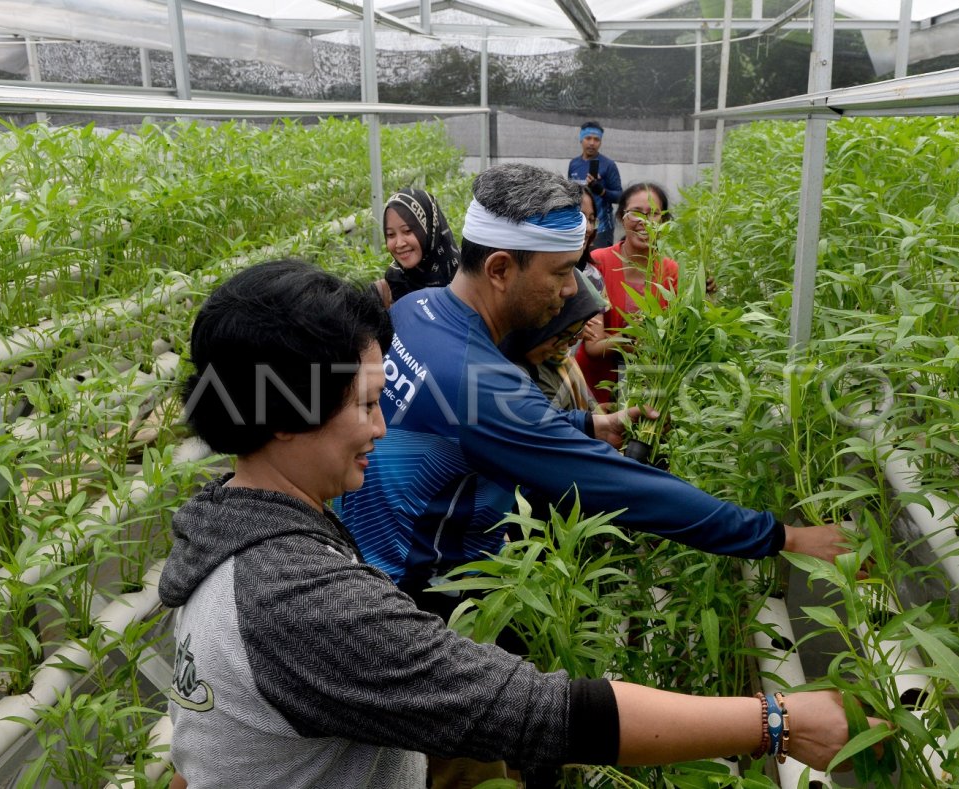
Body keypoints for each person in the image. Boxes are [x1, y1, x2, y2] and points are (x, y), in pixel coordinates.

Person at [163, 258, 879, 788]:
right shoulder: (301, 599)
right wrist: (776, 720)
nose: (382, 428)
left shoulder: (229, 525)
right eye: (367, 403)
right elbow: (538, 711)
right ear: (286, 415)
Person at [339, 163, 847, 621]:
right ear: (499, 269)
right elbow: (623, 487)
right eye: (560, 274)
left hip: (367, 558)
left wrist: (589, 423)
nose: (569, 292)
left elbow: (463, 428)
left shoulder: (417, 308)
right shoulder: (480, 379)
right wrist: (781, 536)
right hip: (426, 599)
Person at [576, 182, 676, 406]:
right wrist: (635, 339)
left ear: (665, 221)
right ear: (621, 217)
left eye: (654, 214)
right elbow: (592, 344)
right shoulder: (598, 262)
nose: (645, 222)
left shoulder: (670, 271)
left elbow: (674, 335)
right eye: (637, 213)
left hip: (647, 387)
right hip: (595, 386)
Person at [501, 267, 605, 412]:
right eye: (565, 334)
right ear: (545, 326)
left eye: (577, 333)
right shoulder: (517, 380)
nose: (571, 342)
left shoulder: (560, 361)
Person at [372, 187, 460, 308]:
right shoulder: (393, 282)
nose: (399, 243)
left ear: (429, 229)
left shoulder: (462, 277)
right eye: (391, 235)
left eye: (407, 231)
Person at [567, 121, 622, 249]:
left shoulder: (608, 165)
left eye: (596, 139)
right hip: (578, 225)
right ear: (581, 139)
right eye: (588, 138)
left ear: (600, 142)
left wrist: (601, 190)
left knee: (597, 263)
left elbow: (619, 196)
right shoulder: (574, 164)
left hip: (601, 227)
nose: (592, 143)